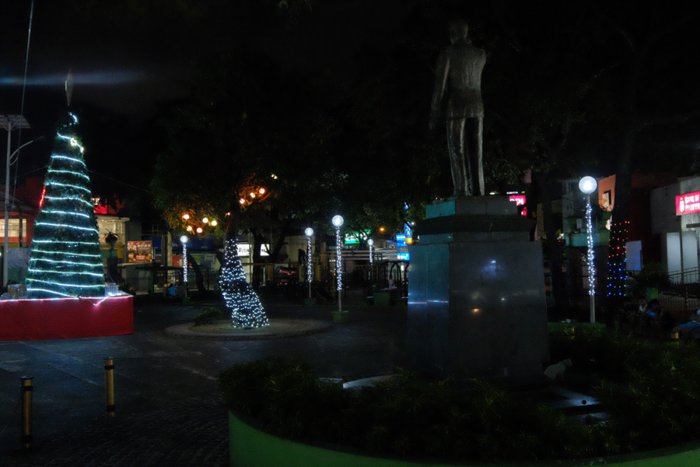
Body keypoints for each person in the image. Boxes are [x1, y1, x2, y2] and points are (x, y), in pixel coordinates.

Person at [429, 19, 487, 197]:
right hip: (477, 105)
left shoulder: (448, 54)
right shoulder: (480, 54)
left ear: (453, 34)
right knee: (477, 151)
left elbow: (440, 87)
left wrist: (434, 113)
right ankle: (479, 189)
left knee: (457, 150)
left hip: (456, 106)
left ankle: (461, 189)